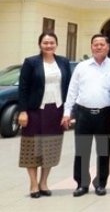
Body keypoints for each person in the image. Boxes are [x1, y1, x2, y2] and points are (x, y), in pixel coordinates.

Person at [17, 31, 72, 198]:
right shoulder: (31, 62)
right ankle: (34, 185)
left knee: (50, 148)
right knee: (32, 148)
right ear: (40, 44)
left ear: (56, 44)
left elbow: (69, 86)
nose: (49, 45)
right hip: (34, 111)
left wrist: (68, 111)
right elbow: (23, 88)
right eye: (45, 43)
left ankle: (44, 182)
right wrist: (23, 111)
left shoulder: (63, 61)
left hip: (55, 111)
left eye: (52, 43)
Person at [61, 34, 110, 197]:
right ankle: (81, 184)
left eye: (102, 44)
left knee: (103, 151)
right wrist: (67, 112)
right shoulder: (82, 67)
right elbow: (72, 90)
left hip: (105, 114)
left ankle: (101, 183)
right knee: (81, 151)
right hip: (83, 114)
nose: (98, 47)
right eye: (95, 44)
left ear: (108, 47)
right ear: (91, 47)